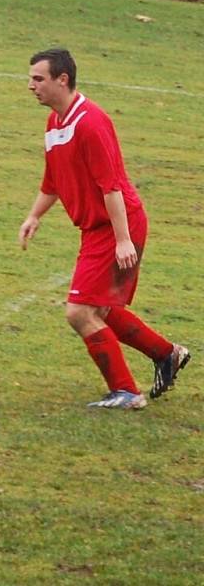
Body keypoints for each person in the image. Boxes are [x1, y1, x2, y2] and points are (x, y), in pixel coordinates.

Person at [19, 48, 190, 410]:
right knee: (101, 309)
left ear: (61, 80)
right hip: (97, 228)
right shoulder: (54, 124)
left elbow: (110, 186)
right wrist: (34, 216)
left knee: (80, 312)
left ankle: (126, 392)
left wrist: (123, 239)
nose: (30, 86)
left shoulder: (91, 122)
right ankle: (167, 353)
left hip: (116, 224)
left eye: (38, 79)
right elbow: (52, 181)